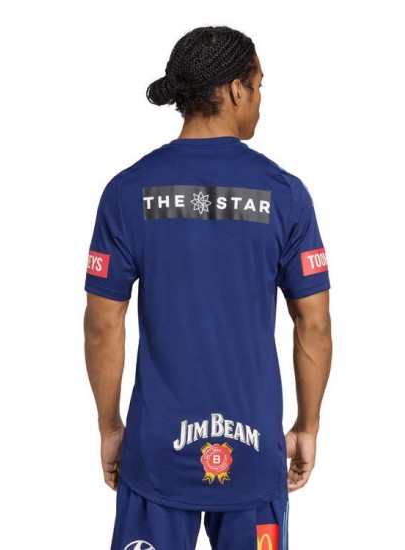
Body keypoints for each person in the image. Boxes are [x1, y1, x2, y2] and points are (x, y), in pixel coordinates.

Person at [83, 25, 333, 550]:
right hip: (254, 452)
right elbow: (313, 323)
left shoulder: (127, 191)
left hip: (155, 452)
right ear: (237, 90)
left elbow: (104, 324)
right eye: (259, 85)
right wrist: (307, 427)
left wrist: (110, 428)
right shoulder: (285, 194)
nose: (260, 99)